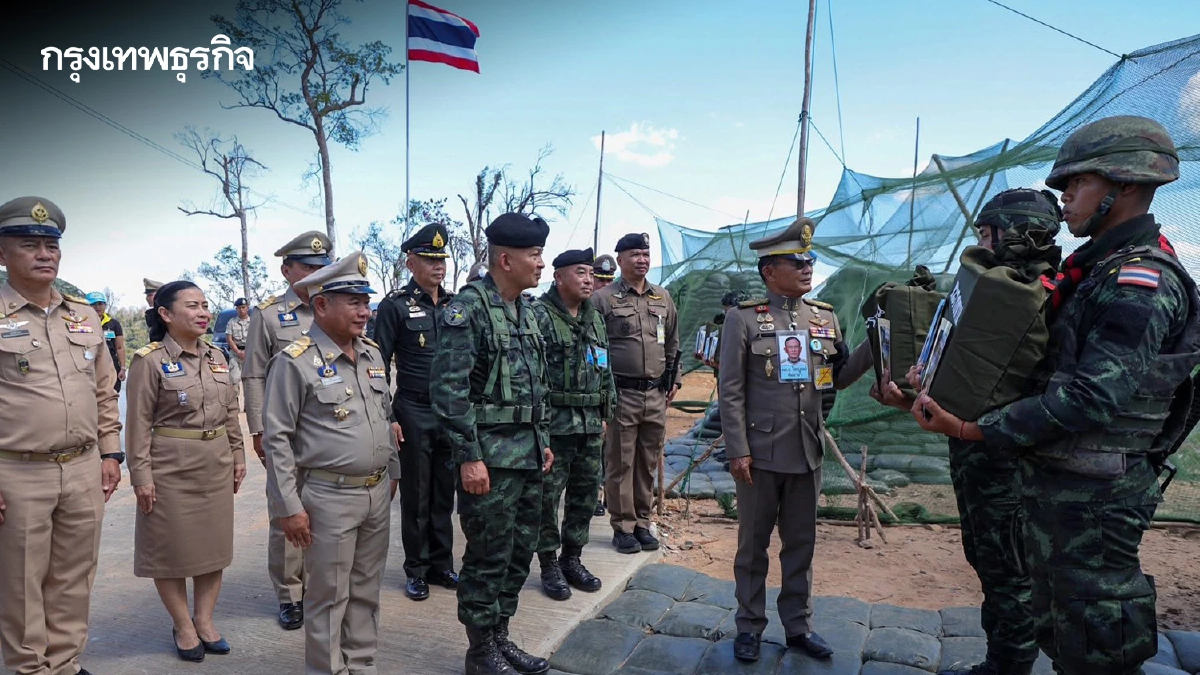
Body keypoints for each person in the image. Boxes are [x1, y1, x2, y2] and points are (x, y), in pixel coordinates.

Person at [913, 116, 1198, 675]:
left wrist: (972, 430)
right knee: (1062, 628)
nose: (1064, 197)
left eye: (1078, 182)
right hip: (1065, 486)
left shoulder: (1138, 281)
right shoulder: (1092, 272)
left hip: (1099, 496)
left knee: (1096, 637)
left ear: (1126, 184)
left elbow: (1092, 397)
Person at [718, 217, 867, 663]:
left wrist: (877, 343)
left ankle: (799, 626)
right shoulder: (743, 319)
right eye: (797, 262)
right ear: (769, 271)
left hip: (806, 451)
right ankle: (749, 626)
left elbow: (837, 377)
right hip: (760, 454)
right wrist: (738, 449)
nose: (807, 268)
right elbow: (731, 390)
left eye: (810, 260)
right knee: (753, 547)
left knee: (801, 545)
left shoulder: (824, 317)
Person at [0, 196, 123, 675]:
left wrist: (111, 453)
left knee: (74, 575)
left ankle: (65, 663)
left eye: (51, 245)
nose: (44, 254)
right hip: (17, 471)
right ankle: (29, 668)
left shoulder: (84, 315)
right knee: (20, 582)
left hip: (83, 466)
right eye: (29, 245)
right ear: (2, 253)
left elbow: (105, 390)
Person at [263, 252, 401, 675]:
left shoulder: (372, 354)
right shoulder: (294, 361)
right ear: (321, 305)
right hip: (329, 496)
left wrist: (393, 471)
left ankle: (361, 665)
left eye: (366, 302)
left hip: (376, 492)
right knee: (328, 596)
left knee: (365, 590)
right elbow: (277, 439)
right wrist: (288, 506)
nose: (365, 311)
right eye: (354, 302)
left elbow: (384, 417)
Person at [432, 212, 554, 675]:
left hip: (528, 456)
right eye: (534, 254)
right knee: (488, 555)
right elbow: (449, 391)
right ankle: (480, 651)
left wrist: (543, 439)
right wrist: (469, 457)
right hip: (490, 461)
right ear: (505, 260)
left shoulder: (527, 310)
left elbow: (536, 384)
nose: (540, 263)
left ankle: (500, 636)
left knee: (520, 551)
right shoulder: (469, 310)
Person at [126, 280, 247, 662]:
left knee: (213, 547)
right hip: (170, 468)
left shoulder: (217, 356)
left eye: (205, 305)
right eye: (192, 306)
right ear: (165, 314)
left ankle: (204, 620)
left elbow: (231, 412)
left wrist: (238, 455)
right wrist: (141, 477)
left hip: (215, 464)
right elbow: (138, 425)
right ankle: (182, 625)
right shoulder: (149, 361)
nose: (203, 313)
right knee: (170, 550)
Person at [243, 230, 334, 630]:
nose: (316, 274)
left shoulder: (332, 306)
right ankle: (289, 594)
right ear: (287, 270)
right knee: (287, 510)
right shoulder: (267, 315)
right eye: (307, 267)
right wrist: (258, 429)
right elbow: (253, 375)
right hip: (287, 430)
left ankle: (318, 586)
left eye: (321, 267)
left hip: (330, 427)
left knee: (325, 510)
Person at [373, 223, 459, 602]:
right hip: (414, 411)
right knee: (417, 495)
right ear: (410, 263)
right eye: (429, 259)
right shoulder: (394, 306)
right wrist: (389, 416)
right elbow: (377, 365)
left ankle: (442, 564)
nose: (438, 266)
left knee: (444, 494)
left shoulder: (455, 305)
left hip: (449, 413)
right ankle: (417, 569)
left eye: (441, 259)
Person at [531, 248, 616, 602]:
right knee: (547, 498)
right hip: (555, 424)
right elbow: (531, 376)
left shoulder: (594, 318)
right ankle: (548, 563)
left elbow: (605, 366)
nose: (588, 279)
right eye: (580, 272)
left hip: (590, 424)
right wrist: (538, 428)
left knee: (585, 494)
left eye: (590, 274)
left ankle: (572, 558)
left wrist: (607, 411)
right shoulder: (538, 316)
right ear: (559, 277)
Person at [592, 232, 680, 554]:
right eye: (635, 254)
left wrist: (675, 379)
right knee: (621, 463)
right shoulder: (603, 299)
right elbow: (594, 348)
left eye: (645, 254)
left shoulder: (662, 298)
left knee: (647, 461)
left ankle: (643, 522)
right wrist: (602, 391)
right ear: (620, 260)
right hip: (621, 393)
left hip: (655, 394)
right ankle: (623, 527)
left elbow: (672, 341)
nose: (642, 260)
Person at [86, 291, 127, 392]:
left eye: (100, 303)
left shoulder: (114, 324)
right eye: (93, 304)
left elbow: (120, 347)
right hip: (88, 366)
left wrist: (122, 368)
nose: (97, 307)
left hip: (111, 365)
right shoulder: (82, 323)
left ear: (105, 305)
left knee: (112, 394)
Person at [226, 298, 251, 384]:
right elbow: (229, 339)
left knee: (250, 379)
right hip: (235, 354)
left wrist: (246, 351)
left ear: (247, 307)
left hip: (249, 354)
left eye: (243, 307)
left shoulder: (253, 322)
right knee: (234, 379)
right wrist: (238, 352)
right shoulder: (232, 322)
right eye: (239, 308)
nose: (241, 310)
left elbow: (255, 338)